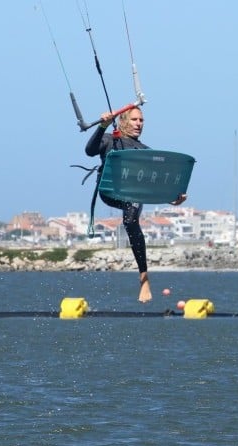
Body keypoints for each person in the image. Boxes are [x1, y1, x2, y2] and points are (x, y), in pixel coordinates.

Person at [85, 106, 186, 302]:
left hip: (133, 195)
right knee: (130, 209)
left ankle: (144, 278)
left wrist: (173, 198)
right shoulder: (108, 139)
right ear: (123, 120)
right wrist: (102, 126)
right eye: (134, 120)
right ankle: (143, 278)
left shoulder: (146, 152)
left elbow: (153, 183)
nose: (139, 124)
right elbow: (89, 151)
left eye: (141, 120)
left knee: (131, 217)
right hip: (110, 191)